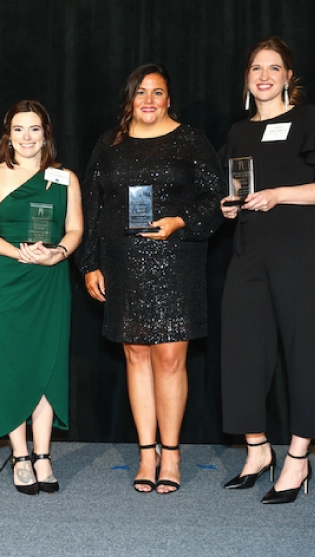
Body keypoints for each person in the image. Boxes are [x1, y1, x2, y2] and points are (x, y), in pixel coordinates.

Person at [77, 64, 226, 494]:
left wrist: (181, 220)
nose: (148, 100)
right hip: (121, 262)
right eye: (140, 92)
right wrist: (89, 263)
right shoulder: (110, 143)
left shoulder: (190, 139)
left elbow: (215, 199)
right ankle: (147, 454)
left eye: (157, 92)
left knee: (171, 358)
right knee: (136, 355)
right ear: (129, 98)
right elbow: (91, 204)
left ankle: (172, 454)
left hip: (176, 261)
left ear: (168, 99)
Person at [219, 36, 315, 504]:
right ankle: (257, 450)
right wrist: (230, 208)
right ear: (246, 78)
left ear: (288, 77)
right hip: (250, 250)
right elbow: (239, 191)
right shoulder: (238, 132)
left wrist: (280, 195)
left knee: (306, 351)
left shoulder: (309, 120)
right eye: (256, 68)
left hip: (303, 251)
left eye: (273, 68)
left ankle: (298, 459)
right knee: (242, 348)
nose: (264, 76)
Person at [0, 100, 83, 495]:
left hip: (51, 277)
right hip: (10, 277)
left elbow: (75, 229)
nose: (27, 136)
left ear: (46, 134)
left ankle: (43, 454)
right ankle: (20, 456)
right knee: (11, 364)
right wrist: (18, 253)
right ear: (8, 135)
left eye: (34, 128)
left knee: (49, 362)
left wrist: (59, 253)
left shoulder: (65, 178)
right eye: (18, 129)